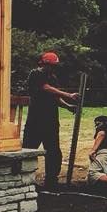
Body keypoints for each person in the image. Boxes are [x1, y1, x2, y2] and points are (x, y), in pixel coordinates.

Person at [22, 52, 78, 190]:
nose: (52, 68)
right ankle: (25, 180)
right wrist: (68, 95)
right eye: (50, 66)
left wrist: (68, 106)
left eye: (54, 66)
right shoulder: (35, 74)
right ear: (43, 64)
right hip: (35, 120)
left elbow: (56, 97)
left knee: (53, 152)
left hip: (51, 120)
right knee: (28, 151)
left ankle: (51, 181)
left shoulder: (53, 77)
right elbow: (46, 88)